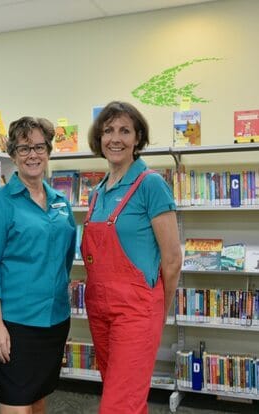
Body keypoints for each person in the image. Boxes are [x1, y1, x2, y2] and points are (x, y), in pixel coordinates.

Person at [82, 101, 182, 414]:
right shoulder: (97, 192)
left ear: (138, 138)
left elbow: (172, 259)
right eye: (108, 130)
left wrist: (159, 311)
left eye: (125, 131)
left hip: (136, 312)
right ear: (99, 138)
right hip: (99, 309)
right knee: (124, 397)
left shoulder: (151, 184)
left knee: (117, 406)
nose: (115, 138)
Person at [0, 116, 76, 414]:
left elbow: (66, 256)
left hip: (55, 320)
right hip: (14, 323)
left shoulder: (61, 202)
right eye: (24, 148)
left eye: (39, 147)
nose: (33, 155)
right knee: (17, 404)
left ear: (48, 151)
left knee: (39, 397)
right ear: (13, 154)